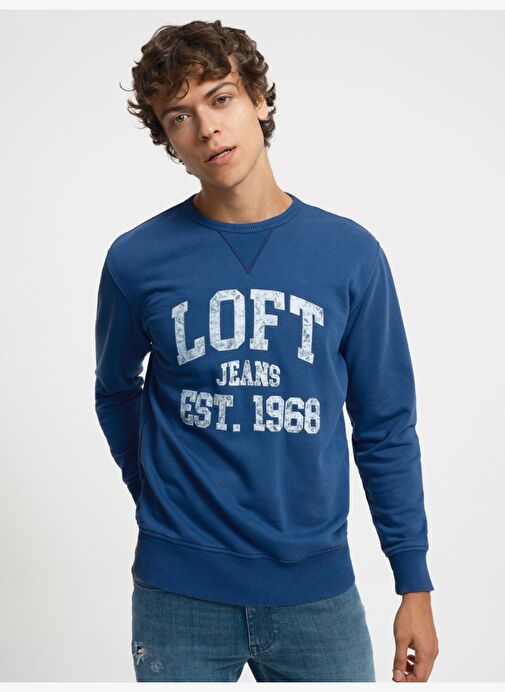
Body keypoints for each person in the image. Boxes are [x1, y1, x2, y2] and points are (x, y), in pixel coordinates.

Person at [94, 19, 439, 683]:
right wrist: (157, 487)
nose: (207, 128)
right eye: (179, 116)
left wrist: (413, 583)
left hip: (317, 594)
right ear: (169, 139)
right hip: (178, 595)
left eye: (220, 99)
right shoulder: (136, 259)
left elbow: (385, 426)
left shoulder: (350, 254)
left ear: (258, 99)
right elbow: (115, 389)